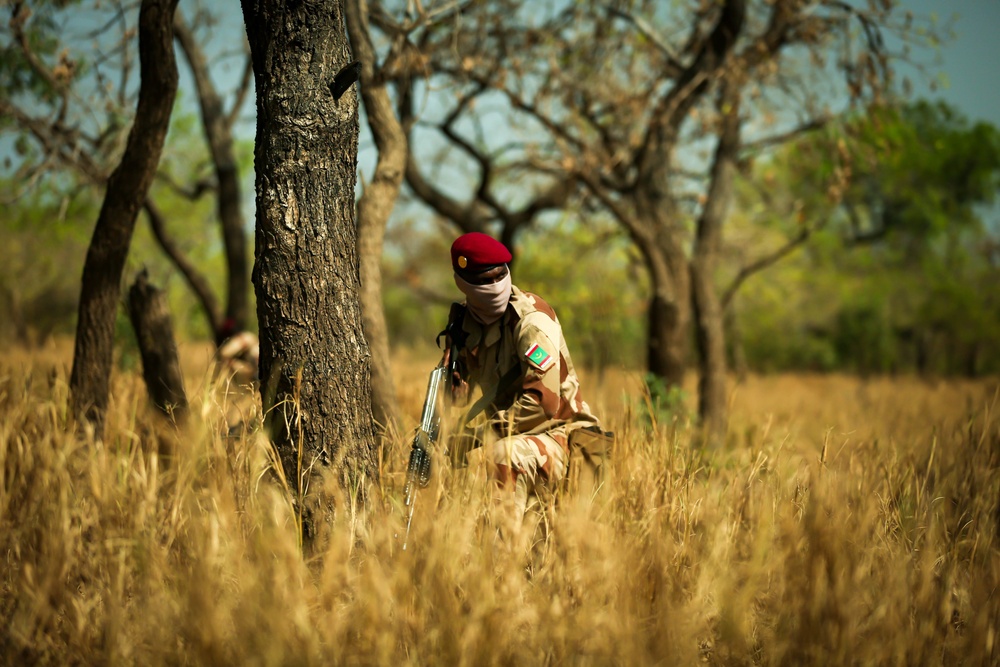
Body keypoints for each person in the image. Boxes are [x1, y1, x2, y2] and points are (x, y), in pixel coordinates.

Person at [440, 232, 608, 532]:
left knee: (502, 455)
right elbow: (460, 398)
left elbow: (542, 404)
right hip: (512, 436)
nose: (494, 287)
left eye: (500, 276)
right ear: (463, 284)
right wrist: (454, 392)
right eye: (484, 280)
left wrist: (479, 436)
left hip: (563, 436)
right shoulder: (466, 324)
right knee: (439, 458)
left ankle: (502, 569)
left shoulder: (530, 320)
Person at [214, 317, 260, 385]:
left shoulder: (242, 338)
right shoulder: (247, 336)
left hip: (256, 365)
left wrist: (231, 363)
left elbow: (224, 353)